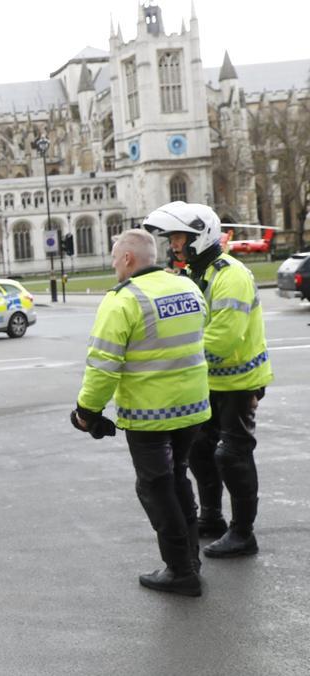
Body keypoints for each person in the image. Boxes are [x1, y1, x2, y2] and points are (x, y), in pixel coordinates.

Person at [71, 228, 210, 596]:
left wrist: (87, 412)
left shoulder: (123, 301)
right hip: (193, 408)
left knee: (155, 487)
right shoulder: (187, 287)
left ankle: (180, 570)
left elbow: (102, 366)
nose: (114, 264)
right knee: (179, 478)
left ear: (128, 259)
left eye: (116, 258)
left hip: (151, 415)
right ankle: (191, 560)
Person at [143, 201, 273, 558]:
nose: (174, 245)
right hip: (209, 383)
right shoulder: (194, 275)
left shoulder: (230, 275)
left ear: (201, 236)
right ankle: (213, 518)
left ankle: (243, 533)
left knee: (232, 454)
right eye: (172, 238)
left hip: (239, 381)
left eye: (179, 237)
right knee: (201, 451)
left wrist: (178, 361)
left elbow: (223, 339)